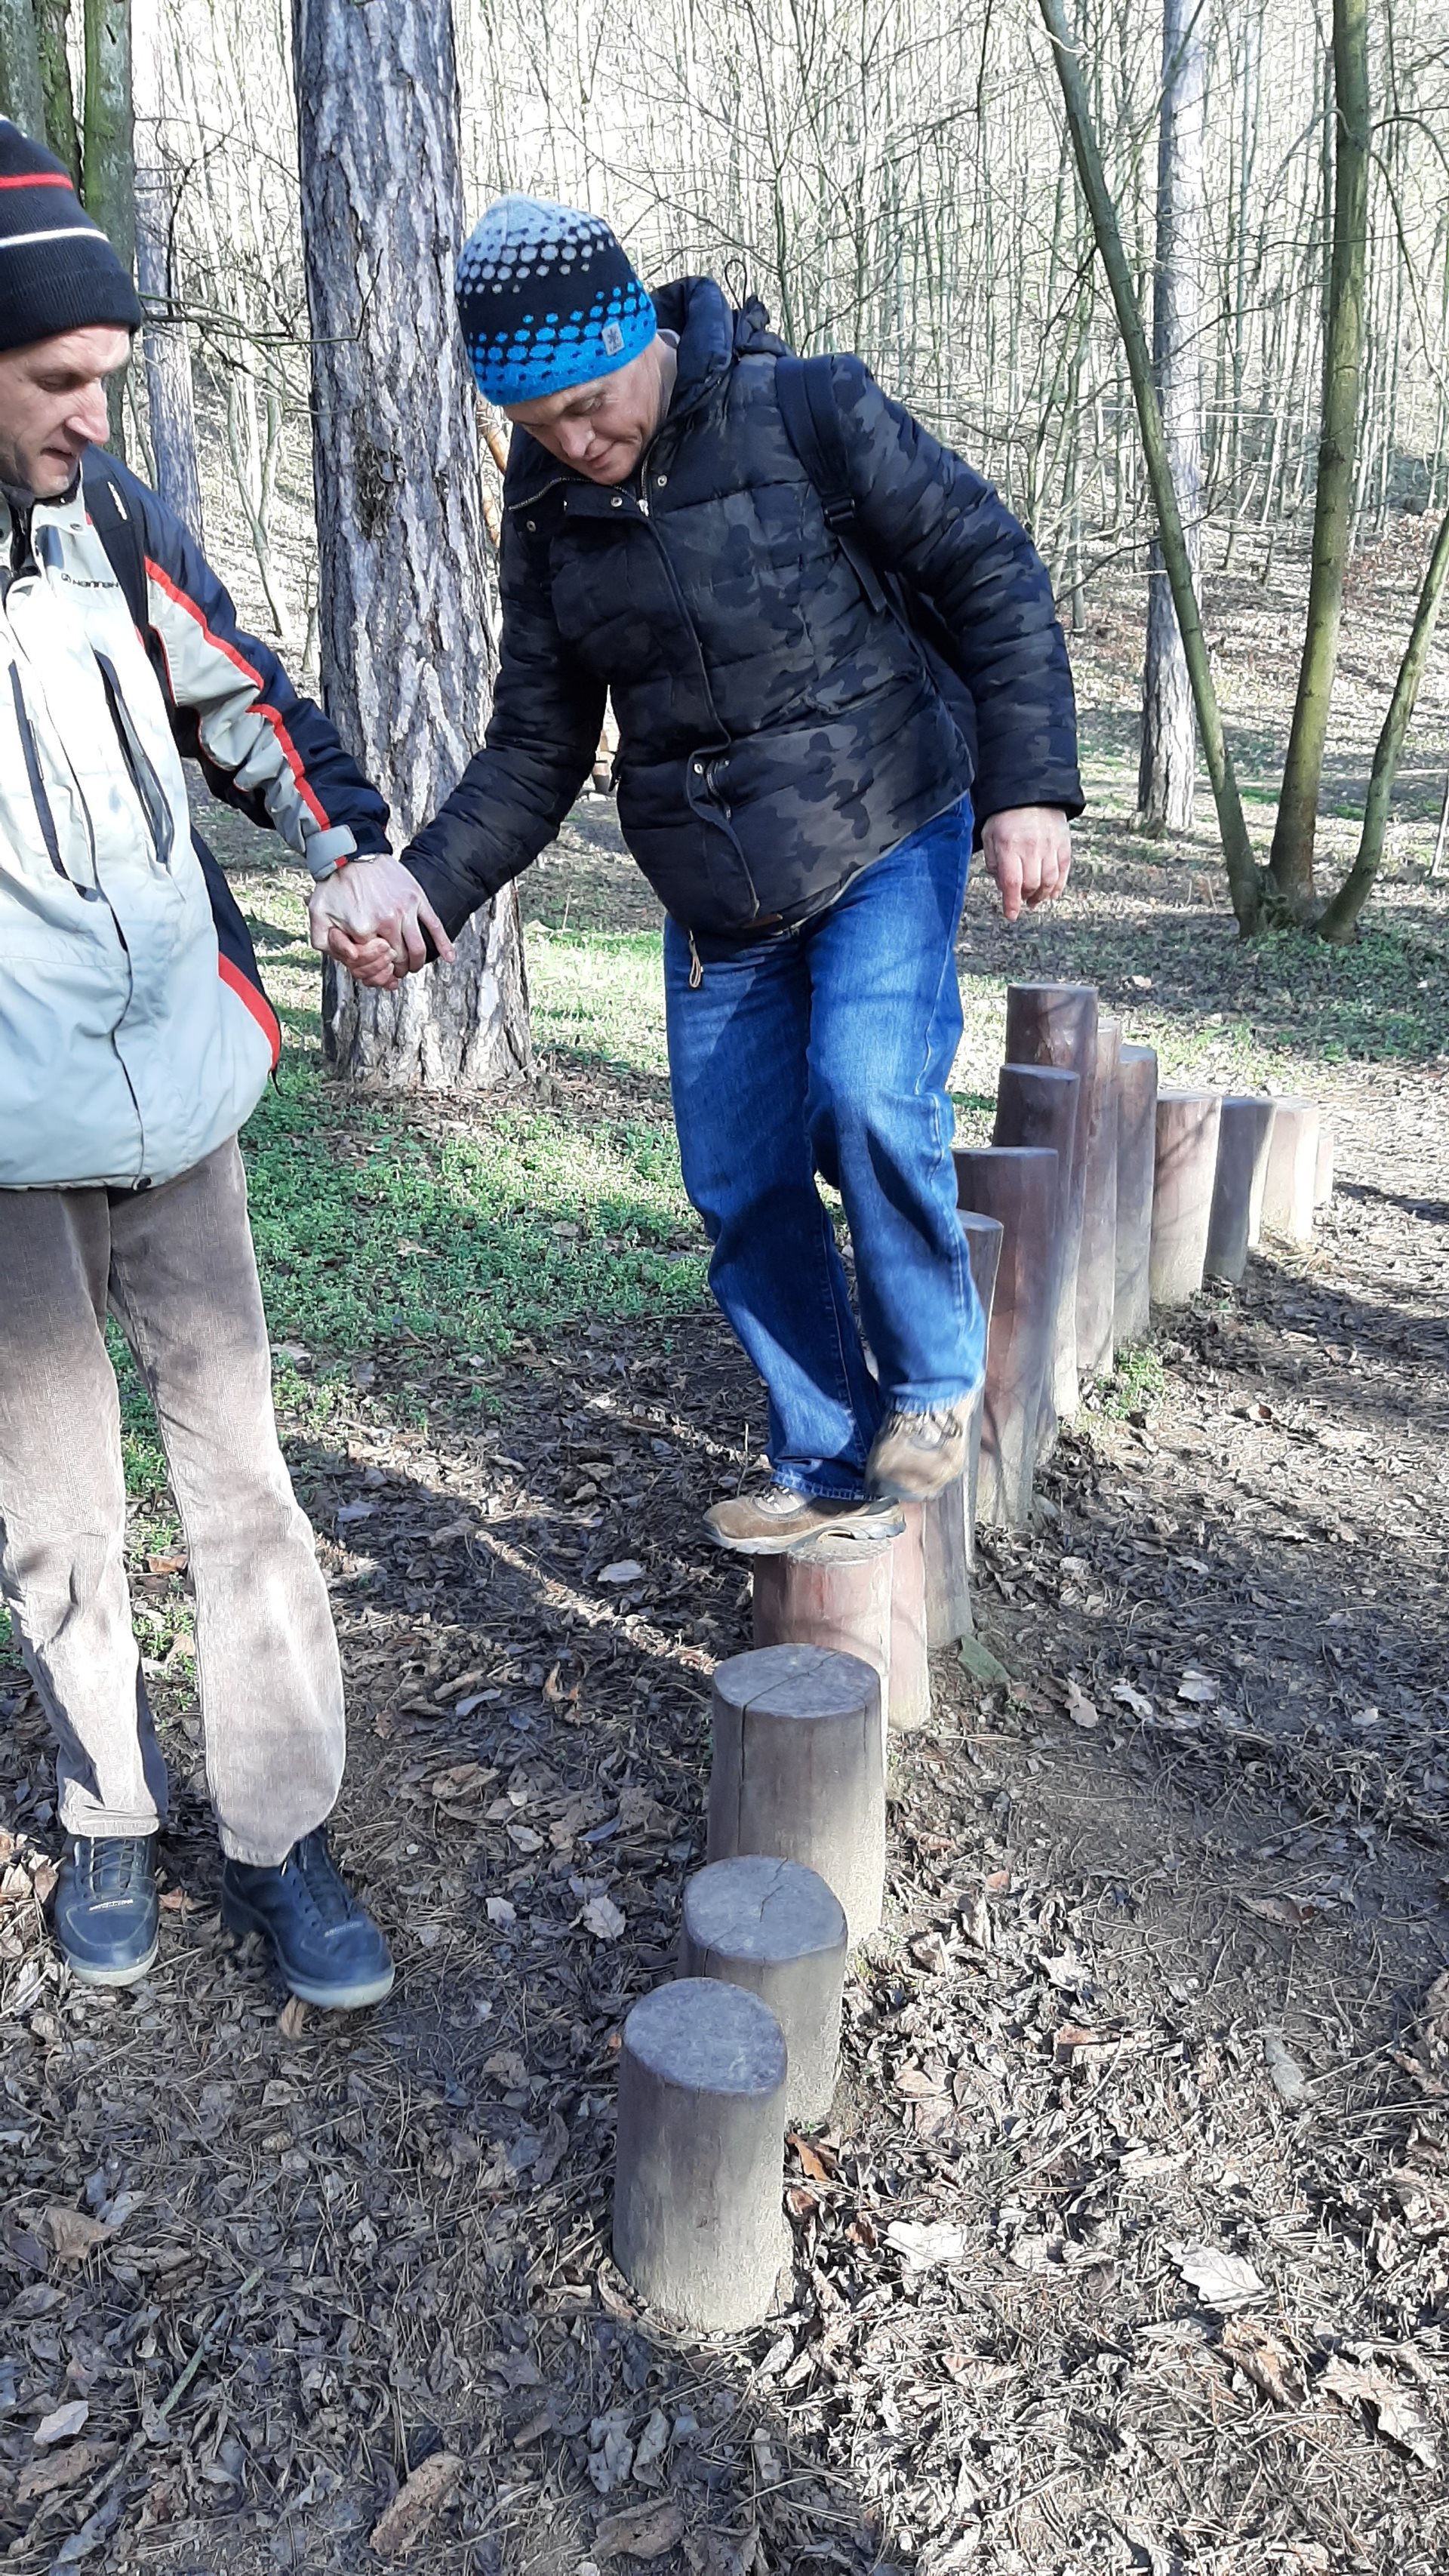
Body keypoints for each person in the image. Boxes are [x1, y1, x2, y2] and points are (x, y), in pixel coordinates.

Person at [312, 197, 1081, 1554]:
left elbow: (990, 567)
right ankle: (825, 1457)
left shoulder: (809, 411)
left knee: (865, 1093)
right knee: (738, 1182)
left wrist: (1028, 788)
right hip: (717, 890)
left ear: (639, 336)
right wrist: (426, 892)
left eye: (590, 405)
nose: (573, 441)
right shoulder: (547, 507)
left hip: (887, 821)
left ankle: (932, 1383)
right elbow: (538, 745)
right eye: (537, 422)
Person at [0, 120, 414, 2002]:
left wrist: (347, 845)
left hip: (177, 1090)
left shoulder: (111, 519)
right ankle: (108, 1812)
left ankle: (282, 1830)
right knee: (57, 1511)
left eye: (107, 376)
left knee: (243, 1477)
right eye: (57, 379)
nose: (94, 414)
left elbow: (242, 697)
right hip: (7, 1150)